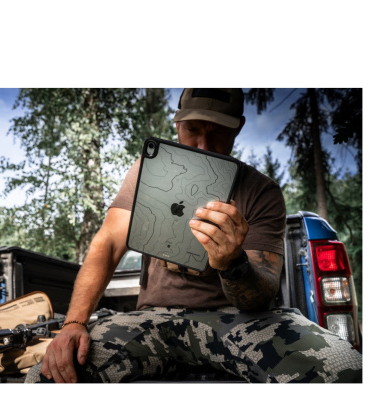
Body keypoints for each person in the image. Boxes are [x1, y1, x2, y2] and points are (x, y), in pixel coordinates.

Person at [25, 88, 362, 384]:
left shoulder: (262, 191)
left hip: (237, 320)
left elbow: (261, 296)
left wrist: (233, 264)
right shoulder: (148, 171)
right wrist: (74, 323)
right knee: (49, 376)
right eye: (193, 129)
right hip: (151, 319)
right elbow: (108, 243)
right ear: (177, 123)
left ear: (238, 127)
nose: (203, 144)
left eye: (218, 133)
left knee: (344, 370)